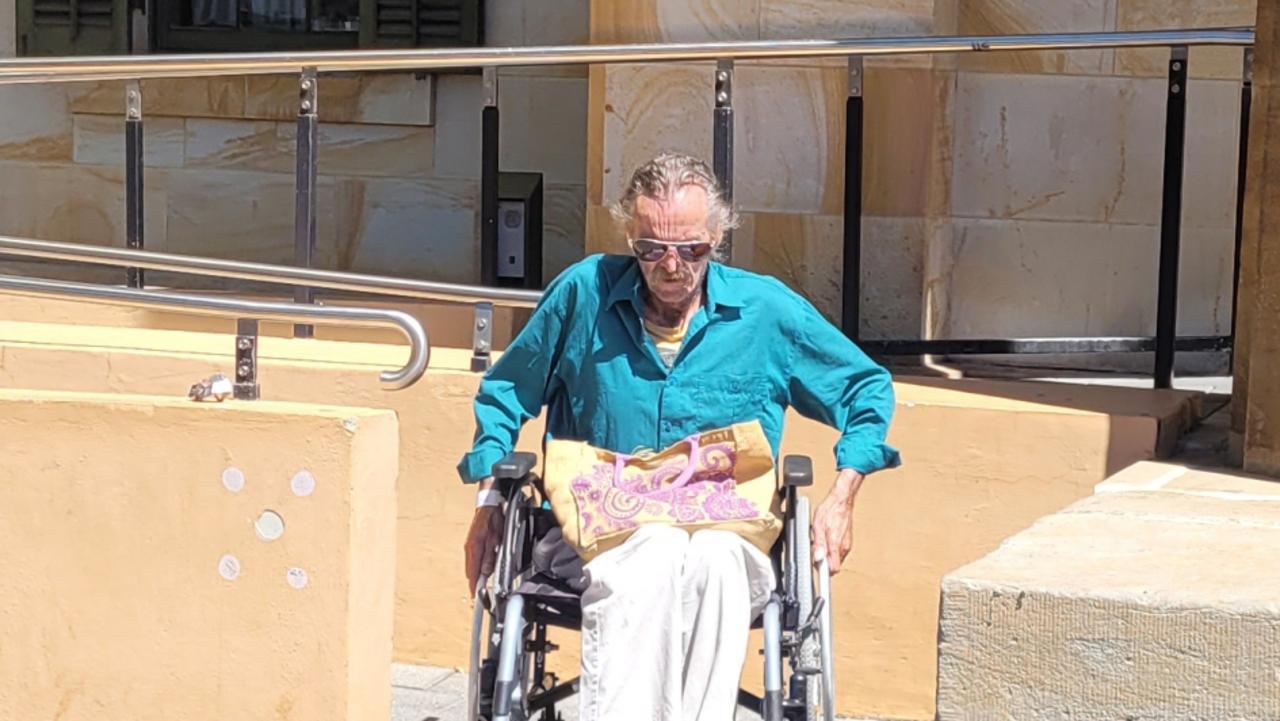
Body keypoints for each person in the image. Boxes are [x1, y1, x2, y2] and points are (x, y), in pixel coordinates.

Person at [458, 151, 899, 721]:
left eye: (691, 249)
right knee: (656, 550)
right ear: (629, 235)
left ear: (717, 236)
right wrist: (491, 496)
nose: (671, 265)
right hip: (600, 528)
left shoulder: (764, 311)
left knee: (713, 561)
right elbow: (505, 393)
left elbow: (865, 387)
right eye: (651, 249)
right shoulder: (582, 295)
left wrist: (843, 496)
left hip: (726, 528)